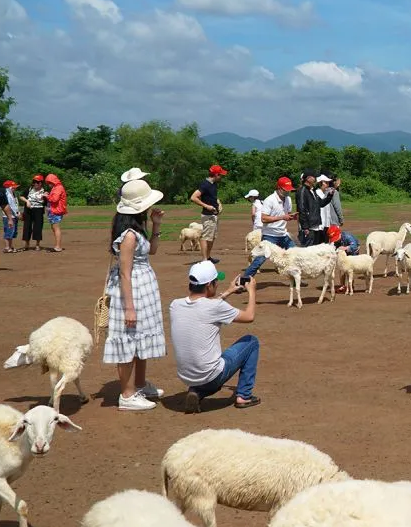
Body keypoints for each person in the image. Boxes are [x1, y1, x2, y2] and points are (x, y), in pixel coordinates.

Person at [104, 179, 168, 411]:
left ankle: (139, 384)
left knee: (140, 339)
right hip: (132, 290)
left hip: (143, 287)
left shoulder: (137, 230)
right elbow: (124, 273)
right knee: (128, 340)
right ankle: (128, 395)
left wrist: (157, 225)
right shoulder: (129, 236)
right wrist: (129, 307)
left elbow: (152, 250)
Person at [169, 260, 261, 412]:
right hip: (211, 376)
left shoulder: (175, 305)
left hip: (186, 377)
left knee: (207, 369)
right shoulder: (215, 307)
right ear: (208, 286)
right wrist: (252, 291)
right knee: (251, 342)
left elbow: (205, 308)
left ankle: (197, 392)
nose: (218, 284)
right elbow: (249, 316)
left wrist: (228, 292)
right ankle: (244, 396)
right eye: (216, 281)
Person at [239, 177, 297, 283]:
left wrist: (292, 216)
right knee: (259, 259)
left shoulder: (288, 199)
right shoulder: (269, 200)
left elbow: (286, 214)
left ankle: (296, 279)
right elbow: (263, 219)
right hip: (270, 235)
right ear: (279, 188)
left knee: (295, 254)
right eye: (286, 189)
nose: (288, 192)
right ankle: (243, 280)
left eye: (289, 190)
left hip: (283, 234)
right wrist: (282, 217)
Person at [190, 164, 226, 264]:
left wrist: (218, 202)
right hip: (208, 215)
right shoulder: (205, 184)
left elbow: (211, 196)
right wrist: (207, 206)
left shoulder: (213, 184)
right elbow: (193, 197)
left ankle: (208, 257)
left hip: (214, 215)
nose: (221, 177)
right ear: (216, 174)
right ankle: (205, 259)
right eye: (221, 175)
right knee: (206, 237)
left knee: (211, 237)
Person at [296, 170, 333, 246]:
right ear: (308, 178)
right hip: (308, 227)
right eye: (314, 177)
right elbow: (302, 209)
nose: (316, 179)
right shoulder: (302, 191)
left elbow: (321, 203)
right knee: (308, 250)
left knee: (315, 250)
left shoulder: (312, 191)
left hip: (315, 225)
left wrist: (330, 195)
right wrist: (305, 227)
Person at [19, 174, 46, 251]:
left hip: (39, 210)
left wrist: (45, 197)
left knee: (38, 226)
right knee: (27, 226)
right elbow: (21, 196)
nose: (36, 183)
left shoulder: (44, 190)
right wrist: (27, 201)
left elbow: (47, 202)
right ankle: (27, 244)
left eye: (38, 182)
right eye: (34, 182)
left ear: (41, 183)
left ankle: (37, 244)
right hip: (28, 210)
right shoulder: (29, 189)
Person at [44, 173, 67, 252]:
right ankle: (57, 246)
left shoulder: (58, 188)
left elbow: (54, 199)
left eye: (49, 183)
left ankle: (58, 246)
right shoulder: (56, 187)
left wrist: (46, 196)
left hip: (56, 211)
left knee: (56, 228)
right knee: (54, 228)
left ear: (53, 181)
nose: (48, 184)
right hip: (54, 210)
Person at [1, 180, 20, 254]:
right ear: (8, 187)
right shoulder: (7, 195)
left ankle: (11, 246)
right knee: (8, 231)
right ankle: (6, 247)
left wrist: (17, 213)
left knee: (12, 231)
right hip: (8, 216)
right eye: (13, 187)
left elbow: (15, 205)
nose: (15, 188)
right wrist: (17, 214)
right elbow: (10, 206)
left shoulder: (13, 194)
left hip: (14, 216)